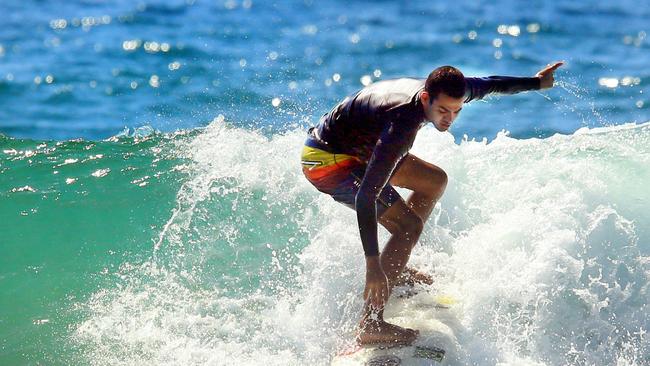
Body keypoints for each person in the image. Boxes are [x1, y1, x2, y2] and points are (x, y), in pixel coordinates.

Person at [300, 62, 564, 345]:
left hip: (358, 148)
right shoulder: (402, 123)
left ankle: (395, 271)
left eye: (457, 110)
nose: (450, 118)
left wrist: (537, 82)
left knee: (434, 181)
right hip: (327, 160)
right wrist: (372, 264)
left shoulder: (449, 92)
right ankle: (371, 324)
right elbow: (366, 196)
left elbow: (492, 83)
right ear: (426, 98)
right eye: (443, 111)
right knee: (408, 227)